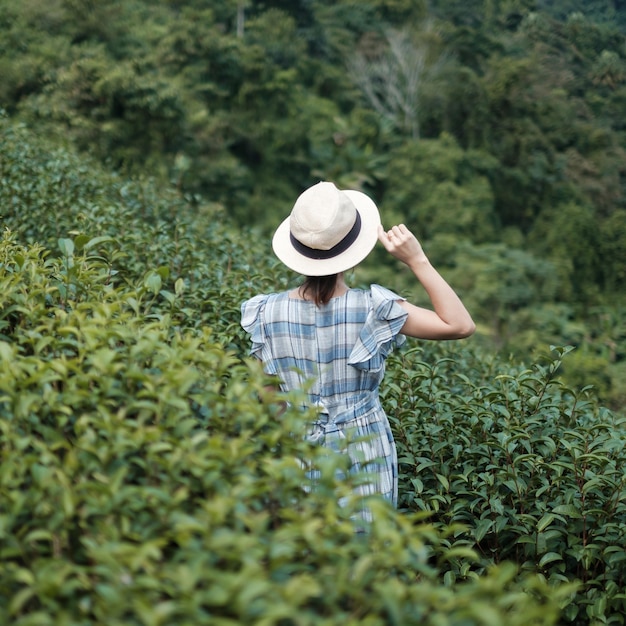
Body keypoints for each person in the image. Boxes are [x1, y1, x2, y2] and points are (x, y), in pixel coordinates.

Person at [240, 181, 475, 513]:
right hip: (365, 449)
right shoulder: (375, 308)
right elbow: (460, 325)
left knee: (309, 554)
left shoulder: (264, 313)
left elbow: (270, 399)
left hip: (299, 450)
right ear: (353, 253)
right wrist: (416, 259)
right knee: (367, 555)